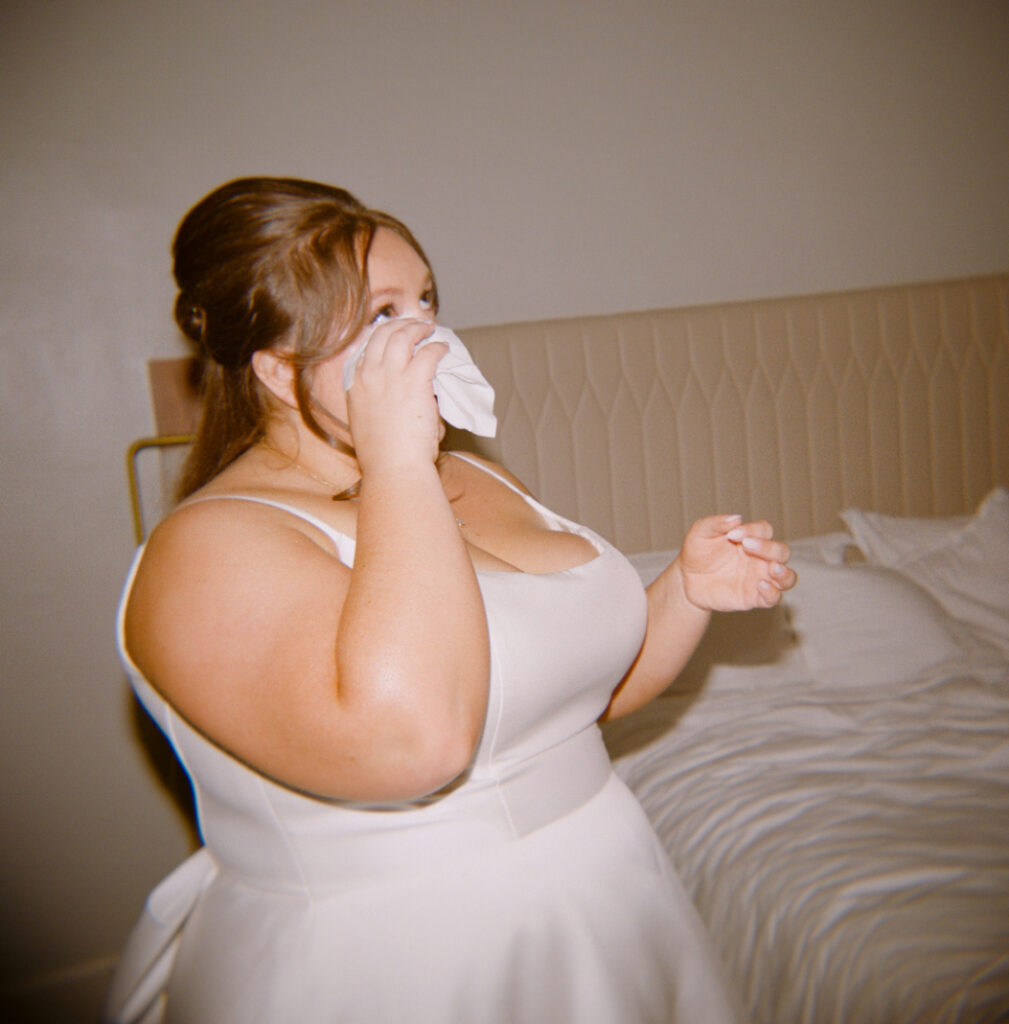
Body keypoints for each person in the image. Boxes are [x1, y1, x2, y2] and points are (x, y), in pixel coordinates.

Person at [104, 177, 796, 1024]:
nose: (427, 333)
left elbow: (568, 704)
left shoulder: (467, 474)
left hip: (612, 907)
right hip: (407, 964)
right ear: (279, 371)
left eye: (426, 298)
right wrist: (395, 463)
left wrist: (685, 593)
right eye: (383, 315)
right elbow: (416, 744)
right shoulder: (206, 552)